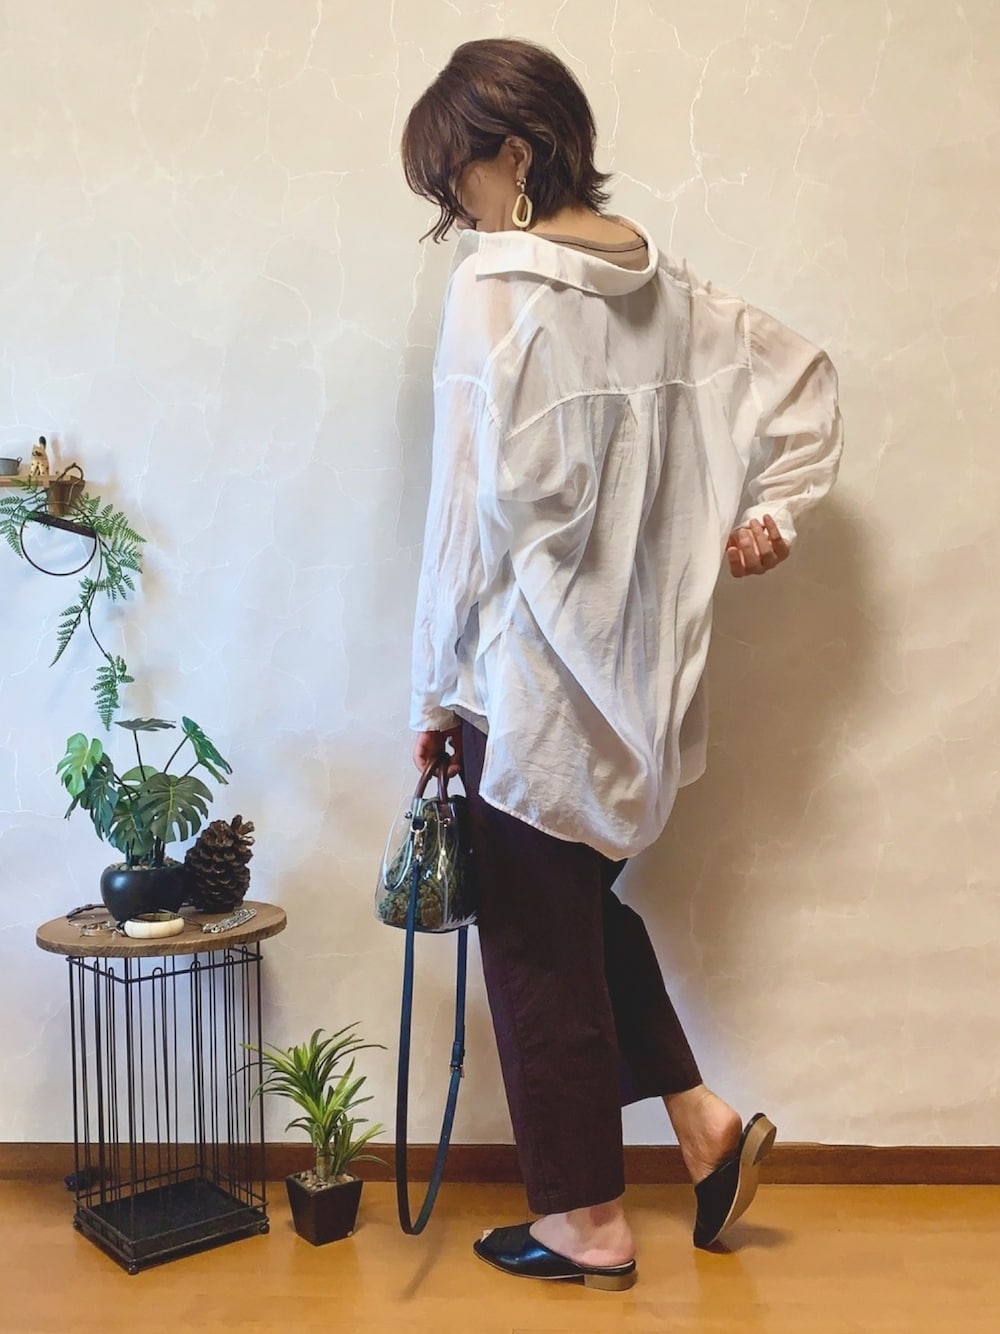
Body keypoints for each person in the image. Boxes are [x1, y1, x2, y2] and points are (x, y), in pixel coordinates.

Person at [401, 37, 843, 1291]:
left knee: (534, 945)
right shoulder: (670, 291)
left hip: (527, 686)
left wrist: (431, 689)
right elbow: (806, 383)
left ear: (516, 152)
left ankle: (585, 1222)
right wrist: (775, 513)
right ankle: (703, 1127)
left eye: (457, 180)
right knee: (574, 911)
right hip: (637, 690)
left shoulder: (496, 290)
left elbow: (460, 518)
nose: (457, 214)